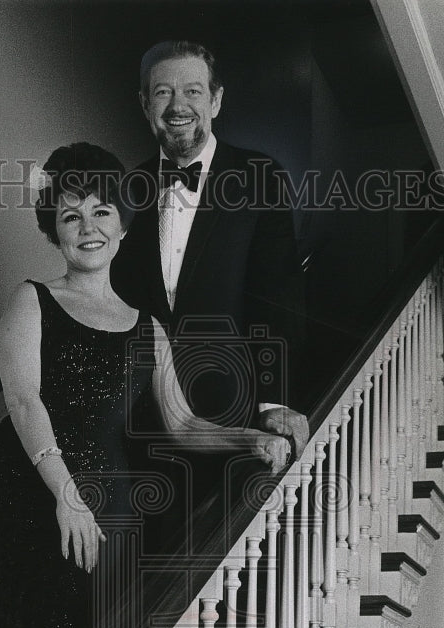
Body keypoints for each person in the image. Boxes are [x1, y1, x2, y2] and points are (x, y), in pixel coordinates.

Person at [0, 142, 291, 628]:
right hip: (28, 495)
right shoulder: (31, 300)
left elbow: (183, 425)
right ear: (54, 232)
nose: (87, 228)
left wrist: (252, 435)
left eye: (100, 212)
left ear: (120, 224)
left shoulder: (149, 327)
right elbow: (24, 402)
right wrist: (66, 497)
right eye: (70, 216)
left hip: (107, 502)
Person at [111, 40, 310, 521]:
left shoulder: (260, 176)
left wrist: (273, 401)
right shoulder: (124, 189)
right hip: (141, 424)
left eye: (192, 91)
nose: (178, 106)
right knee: (149, 578)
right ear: (145, 104)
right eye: (162, 92)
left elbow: (277, 297)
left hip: (233, 415)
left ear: (215, 101)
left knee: (231, 571)